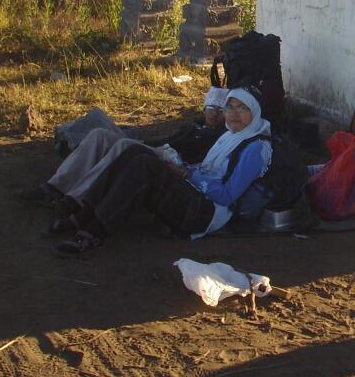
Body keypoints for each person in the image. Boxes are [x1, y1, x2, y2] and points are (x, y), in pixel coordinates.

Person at [53, 86, 273, 254]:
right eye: (230, 107)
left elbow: (227, 195)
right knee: (135, 154)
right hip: (197, 196)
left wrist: (187, 174)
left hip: (207, 215)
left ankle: (94, 232)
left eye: (242, 108)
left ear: (254, 112)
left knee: (144, 166)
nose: (234, 114)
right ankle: (85, 214)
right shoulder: (231, 135)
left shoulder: (255, 147)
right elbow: (208, 169)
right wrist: (182, 167)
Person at [20, 88, 229, 210]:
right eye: (211, 108)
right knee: (99, 134)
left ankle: (77, 198)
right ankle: (55, 186)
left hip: (172, 164)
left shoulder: (220, 137)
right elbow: (168, 140)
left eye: (220, 111)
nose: (214, 114)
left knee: (122, 145)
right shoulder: (194, 126)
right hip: (158, 149)